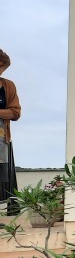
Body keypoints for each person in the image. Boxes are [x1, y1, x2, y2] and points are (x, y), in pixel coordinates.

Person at [0, 49, 21, 216]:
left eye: (3, 68)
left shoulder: (8, 85)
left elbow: (15, 112)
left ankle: (11, 211)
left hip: (2, 139)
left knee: (3, 177)